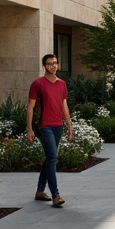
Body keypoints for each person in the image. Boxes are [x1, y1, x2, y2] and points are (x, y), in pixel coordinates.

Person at [26, 54, 72, 208]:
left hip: (58, 125)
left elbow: (64, 106)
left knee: (50, 158)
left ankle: (40, 191)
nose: (54, 65)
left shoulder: (62, 84)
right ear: (44, 66)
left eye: (55, 63)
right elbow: (30, 106)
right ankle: (55, 195)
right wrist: (29, 129)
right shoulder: (38, 84)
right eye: (50, 63)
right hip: (44, 126)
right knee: (52, 157)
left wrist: (69, 126)